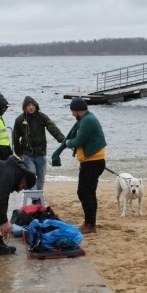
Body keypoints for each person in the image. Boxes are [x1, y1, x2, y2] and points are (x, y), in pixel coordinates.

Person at [51, 97, 106, 235]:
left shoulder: (87, 121)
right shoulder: (85, 119)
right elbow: (75, 137)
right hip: (91, 162)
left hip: (92, 162)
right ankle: (89, 222)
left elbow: (78, 141)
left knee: (84, 192)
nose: (72, 114)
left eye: (72, 111)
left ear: (76, 111)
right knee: (88, 192)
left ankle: (90, 224)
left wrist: (69, 143)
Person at [12, 96, 65, 196]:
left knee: (41, 178)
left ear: (36, 106)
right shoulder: (19, 120)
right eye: (28, 105)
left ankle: (38, 196)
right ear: (24, 107)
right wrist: (19, 153)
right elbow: (15, 138)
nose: (31, 107)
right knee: (31, 175)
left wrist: (62, 139)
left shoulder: (42, 117)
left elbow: (52, 128)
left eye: (32, 105)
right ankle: (35, 198)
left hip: (41, 153)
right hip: (27, 154)